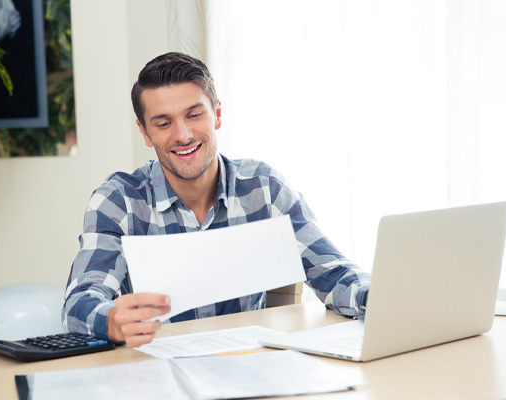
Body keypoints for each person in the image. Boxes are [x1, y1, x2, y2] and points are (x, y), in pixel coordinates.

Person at [63, 52, 371, 347]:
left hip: (251, 368)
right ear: (145, 132)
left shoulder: (264, 188)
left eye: (194, 115)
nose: (183, 135)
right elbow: (80, 301)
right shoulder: (119, 201)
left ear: (217, 114)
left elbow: (333, 272)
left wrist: (379, 297)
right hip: (159, 374)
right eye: (163, 123)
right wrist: (112, 320)